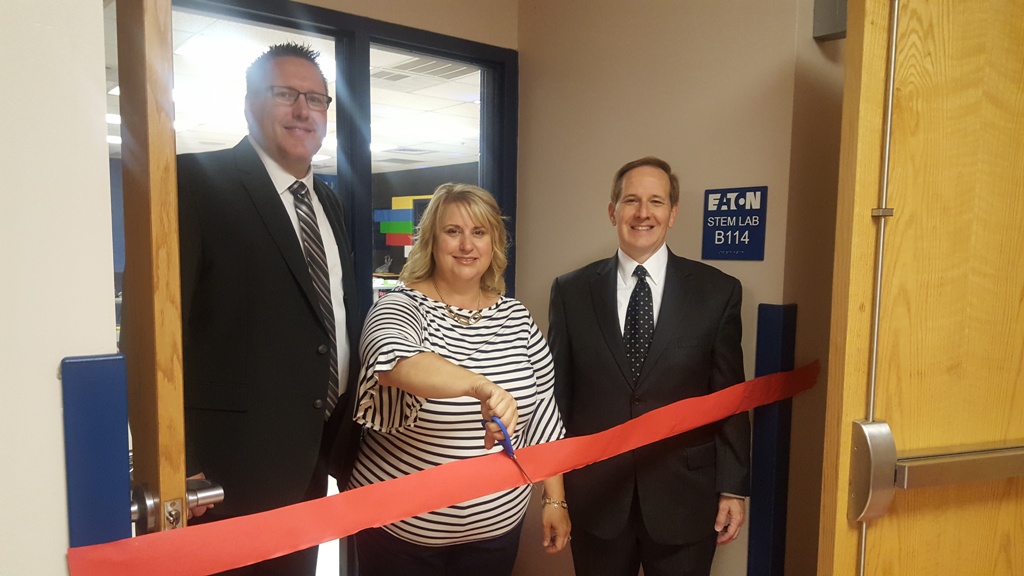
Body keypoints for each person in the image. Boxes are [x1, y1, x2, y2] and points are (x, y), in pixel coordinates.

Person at [176, 42, 360, 575]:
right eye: (284, 94)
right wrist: (178, 461)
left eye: (316, 99)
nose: (303, 110)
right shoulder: (193, 183)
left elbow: (330, 321)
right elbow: (160, 335)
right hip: (225, 472)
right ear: (248, 103)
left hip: (314, 457)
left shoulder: (327, 202)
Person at [348, 183, 571, 576]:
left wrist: (555, 500)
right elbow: (394, 363)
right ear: (431, 241)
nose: (467, 245)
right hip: (399, 536)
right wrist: (480, 386)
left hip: (495, 536)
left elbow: (544, 416)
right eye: (453, 231)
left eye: (479, 232)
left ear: (493, 243)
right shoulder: (399, 306)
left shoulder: (517, 319)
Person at [547, 156, 750, 576]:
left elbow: (729, 398)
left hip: (685, 499)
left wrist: (733, 487)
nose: (643, 213)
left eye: (656, 202)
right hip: (597, 499)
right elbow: (557, 402)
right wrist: (555, 496)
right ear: (612, 211)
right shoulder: (570, 292)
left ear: (672, 213)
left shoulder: (717, 292)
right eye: (631, 201)